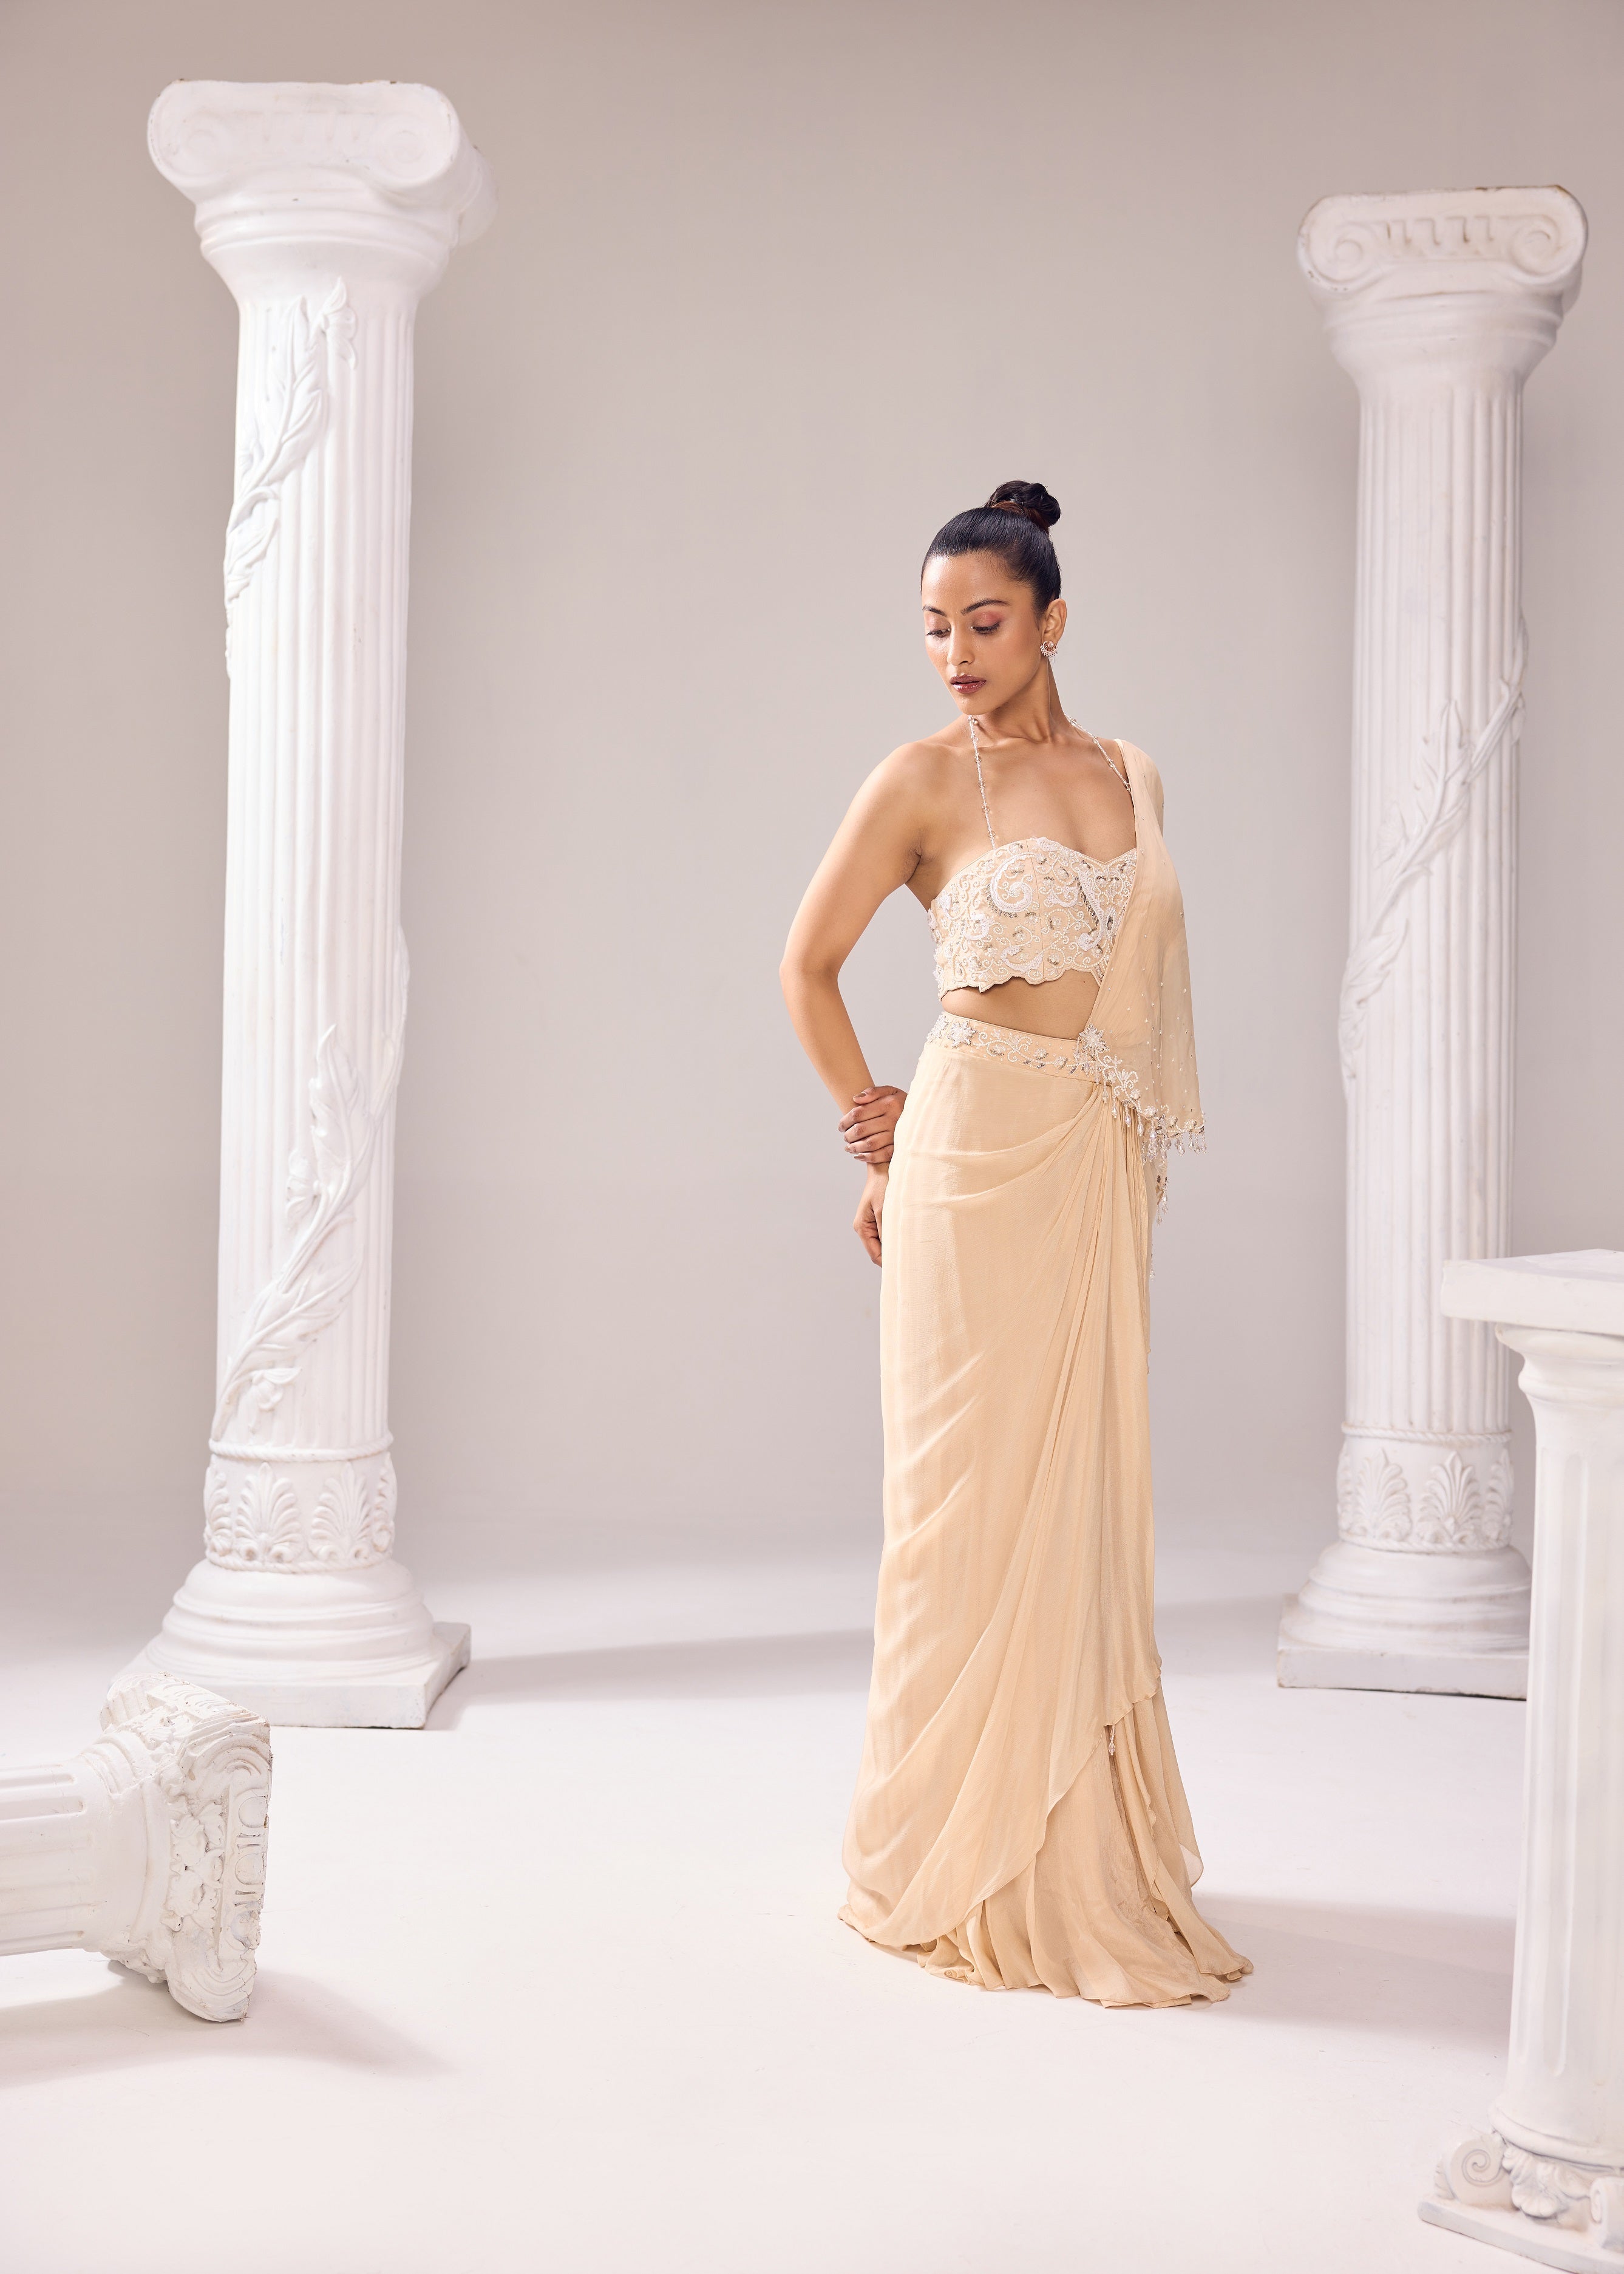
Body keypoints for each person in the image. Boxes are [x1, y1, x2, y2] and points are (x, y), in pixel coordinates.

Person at [780, 481, 1249, 2004]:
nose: (956, 654)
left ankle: (1073, 1849)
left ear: (1052, 619)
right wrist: (877, 1130)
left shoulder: (1133, 773)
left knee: (1082, 1503)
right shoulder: (920, 780)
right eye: (934, 629)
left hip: (1090, 1165)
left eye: (984, 622)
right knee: (957, 1509)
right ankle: (938, 1845)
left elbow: (1137, 990)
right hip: (971, 1159)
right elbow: (807, 964)